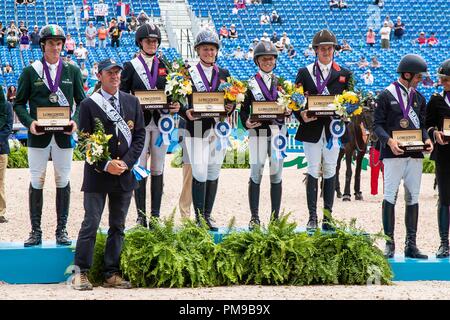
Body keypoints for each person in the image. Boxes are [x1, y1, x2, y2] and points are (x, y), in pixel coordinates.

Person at [72, 58, 145, 290]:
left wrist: (125, 163)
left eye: (117, 72)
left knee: (118, 226)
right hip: (97, 175)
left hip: (124, 174)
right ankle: (81, 272)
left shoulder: (132, 101)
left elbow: (140, 136)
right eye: (109, 72)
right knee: (91, 223)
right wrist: (105, 165)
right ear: (99, 75)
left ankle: (110, 273)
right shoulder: (88, 105)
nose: (114, 76)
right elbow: (83, 143)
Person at [13, 24, 86, 246]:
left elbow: (82, 102)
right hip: (39, 135)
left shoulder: (72, 70)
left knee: (62, 180)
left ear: (63, 45)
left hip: (63, 136)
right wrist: (29, 122)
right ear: (43, 45)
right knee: (37, 180)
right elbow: (19, 104)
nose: (55, 47)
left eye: (59, 43)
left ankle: (61, 230)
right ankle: (35, 231)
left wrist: (76, 121)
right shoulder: (30, 71)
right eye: (51, 43)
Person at [293, 29, 353, 231]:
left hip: (333, 132)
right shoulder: (304, 72)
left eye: (329, 48)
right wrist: (300, 114)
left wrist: (347, 113)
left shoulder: (345, 74)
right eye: (322, 48)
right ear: (316, 50)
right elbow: (295, 101)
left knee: (329, 169)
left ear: (334, 50)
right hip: (311, 129)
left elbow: (351, 102)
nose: (326, 51)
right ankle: (312, 217)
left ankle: (327, 217)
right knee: (312, 169)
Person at [373, 54, 432, 259]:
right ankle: (389, 243)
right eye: (418, 77)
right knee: (390, 195)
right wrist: (389, 141)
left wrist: (426, 139)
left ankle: (411, 244)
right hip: (393, 154)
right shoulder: (385, 95)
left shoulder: (419, 98)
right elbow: (377, 125)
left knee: (413, 197)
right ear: (407, 74)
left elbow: (422, 126)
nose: (420, 81)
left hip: (414, 155)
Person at [120, 23, 179, 227]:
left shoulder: (165, 65)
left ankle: (155, 215)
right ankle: (140, 215)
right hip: (140, 125)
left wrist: (175, 104)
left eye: (154, 41)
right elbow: (123, 95)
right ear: (140, 43)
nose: (152, 44)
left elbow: (173, 92)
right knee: (140, 167)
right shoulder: (130, 66)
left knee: (158, 168)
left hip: (161, 122)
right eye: (148, 41)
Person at [179, 29, 234, 231]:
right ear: (198, 51)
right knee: (200, 172)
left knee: (213, 171)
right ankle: (198, 217)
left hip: (218, 129)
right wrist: (186, 112)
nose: (209, 52)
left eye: (212, 49)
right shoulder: (189, 73)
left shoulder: (224, 74)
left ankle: (207, 216)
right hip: (196, 127)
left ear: (216, 51)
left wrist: (231, 107)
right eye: (205, 49)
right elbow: (178, 100)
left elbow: (231, 100)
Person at [239, 41, 288, 228]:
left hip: (277, 133)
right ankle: (255, 217)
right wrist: (246, 122)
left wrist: (289, 110)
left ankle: (275, 220)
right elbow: (243, 110)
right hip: (258, 133)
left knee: (276, 174)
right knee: (256, 172)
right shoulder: (250, 84)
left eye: (271, 58)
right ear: (257, 61)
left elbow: (288, 105)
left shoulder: (282, 84)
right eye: (264, 59)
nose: (268, 62)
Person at [425, 59, 450, 258]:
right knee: (444, 198)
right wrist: (435, 134)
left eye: (447, 80)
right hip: (444, 154)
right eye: (442, 79)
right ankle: (444, 242)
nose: (443, 83)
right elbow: (429, 124)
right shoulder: (435, 100)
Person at [0, 87, 12, 223]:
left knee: (0, 181)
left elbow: (8, 127)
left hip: (1, 149)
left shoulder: (7, 106)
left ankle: (1, 211)